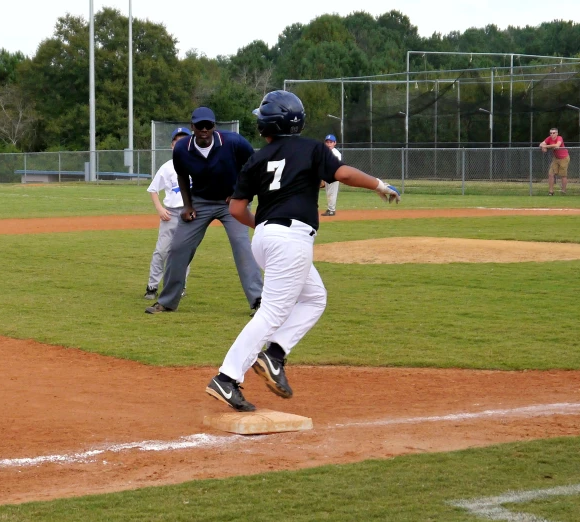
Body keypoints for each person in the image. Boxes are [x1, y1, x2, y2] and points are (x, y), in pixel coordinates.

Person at [205, 90, 400, 412]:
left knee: (314, 298)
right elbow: (344, 174)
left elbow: (237, 209)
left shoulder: (257, 158)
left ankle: (274, 355)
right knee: (271, 312)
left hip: (266, 238)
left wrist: (266, 228)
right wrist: (379, 184)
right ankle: (227, 378)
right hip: (291, 240)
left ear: (268, 124)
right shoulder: (311, 148)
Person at [145, 107, 263, 315]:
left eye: (208, 125)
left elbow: (254, 167)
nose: (204, 129)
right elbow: (182, 177)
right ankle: (167, 301)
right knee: (178, 247)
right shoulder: (182, 148)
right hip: (200, 201)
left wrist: (240, 193)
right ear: (193, 127)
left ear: (214, 127)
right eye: (200, 125)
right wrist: (187, 205)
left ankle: (258, 301)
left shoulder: (233, 142)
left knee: (242, 246)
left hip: (231, 203)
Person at [144, 127, 193, 300]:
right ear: (172, 146)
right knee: (162, 251)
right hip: (171, 213)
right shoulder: (167, 167)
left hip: (190, 214)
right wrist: (159, 208)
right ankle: (152, 286)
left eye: (184, 141)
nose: (180, 144)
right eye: (176, 142)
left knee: (184, 252)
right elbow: (153, 189)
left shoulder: (197, 164)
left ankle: (180, 286)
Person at [539, 127, 570, 195]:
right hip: (556, 158)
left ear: (557, 133)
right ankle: (551, 191)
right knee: (551, 174)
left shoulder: (559, 138)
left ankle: (563, 191)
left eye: (554, 133)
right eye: (551, 133)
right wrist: (543, 147)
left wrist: (545, 146)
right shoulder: (549, 138)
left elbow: (557, 145)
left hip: (564, 158)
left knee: (563, 175)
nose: (552, 134)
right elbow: (541, 144)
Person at [320, 134, 342, 216]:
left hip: (333, 176)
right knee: (329, 193)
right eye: (327, 142)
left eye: (331, 142)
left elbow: (335, 166)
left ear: (335, 143)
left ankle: (331, 210)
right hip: (327, 176)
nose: (329, 144)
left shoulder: (336, 153)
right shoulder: (325, 152)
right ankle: (330, 209)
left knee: (332, 193)